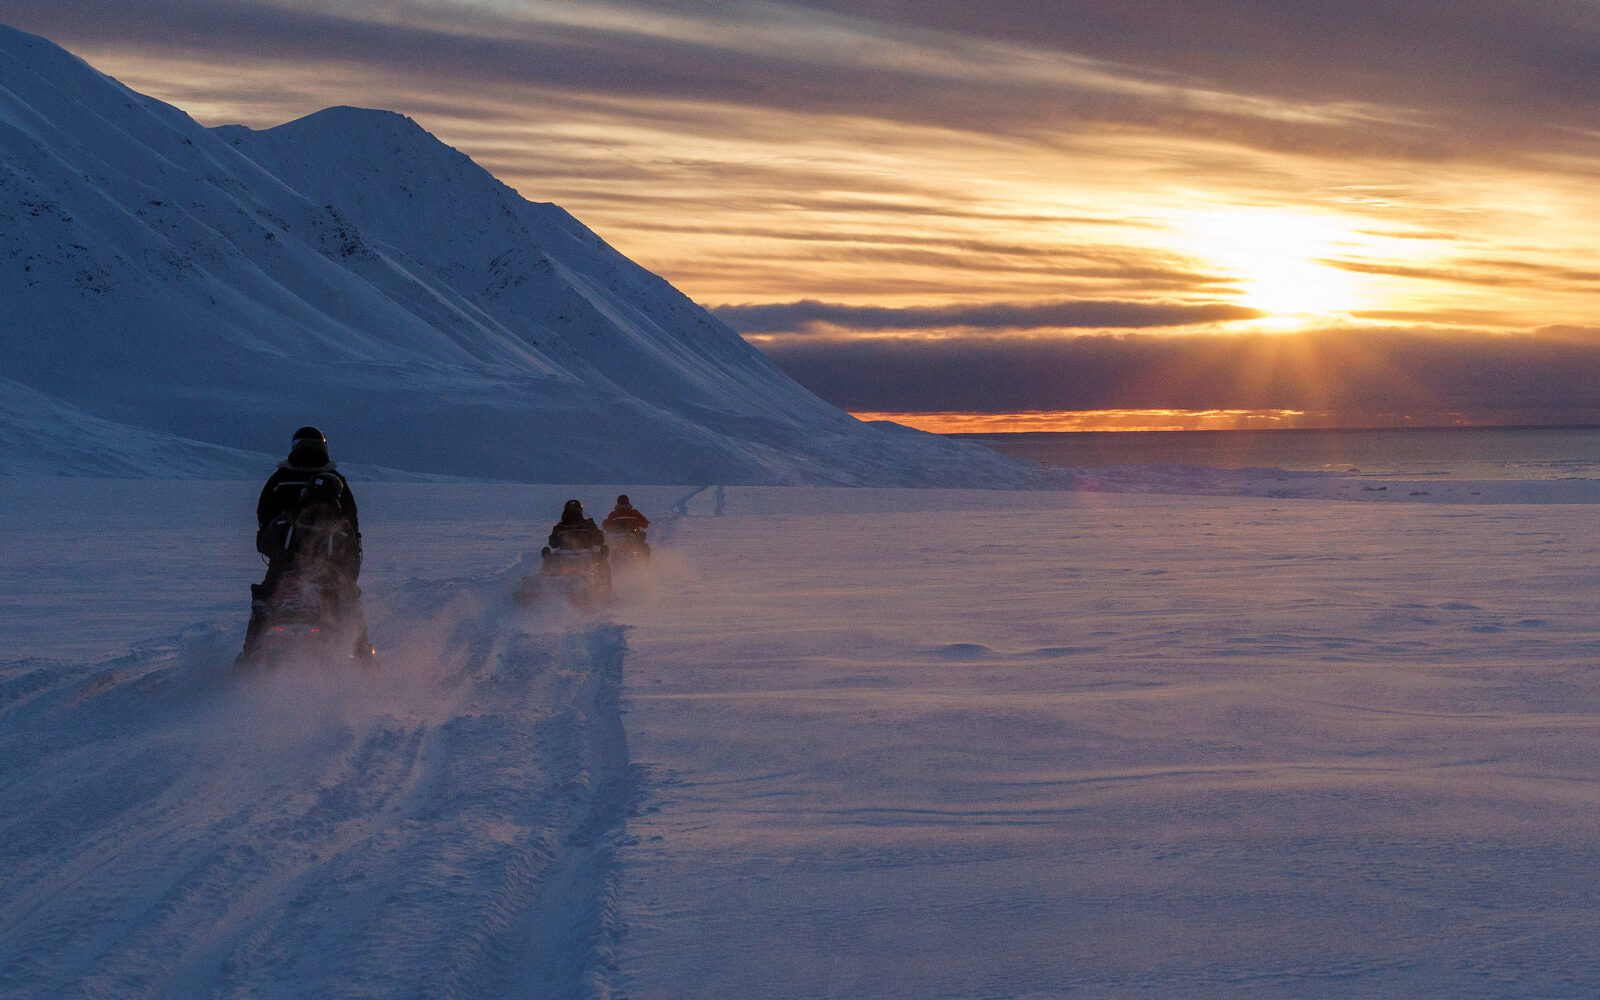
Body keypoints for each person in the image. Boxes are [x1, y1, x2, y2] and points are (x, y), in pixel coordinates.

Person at [241, 426, 370, 661]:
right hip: (328, 568)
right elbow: (353, 525)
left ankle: (249, 656)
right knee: (351, 604)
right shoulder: (337, 483)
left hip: (286, 565)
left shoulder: (279, 481)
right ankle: (364, 661)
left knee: (262, 601)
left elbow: (263, 520)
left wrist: (278, 544)